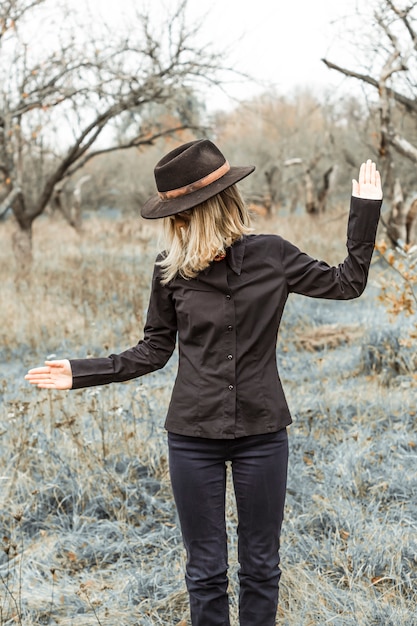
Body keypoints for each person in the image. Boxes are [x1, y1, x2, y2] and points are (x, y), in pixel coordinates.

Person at [25, 139, 383, 626]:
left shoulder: (272, 255)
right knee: (206, 572)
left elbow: (347, 283)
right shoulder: (169, 271)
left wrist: (365, 213)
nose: (174, 226)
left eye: (181, 214)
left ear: (210, 208)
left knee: (261, 567)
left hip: (262, 433)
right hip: (192, 438)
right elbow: (153, 349)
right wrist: (82, 371)